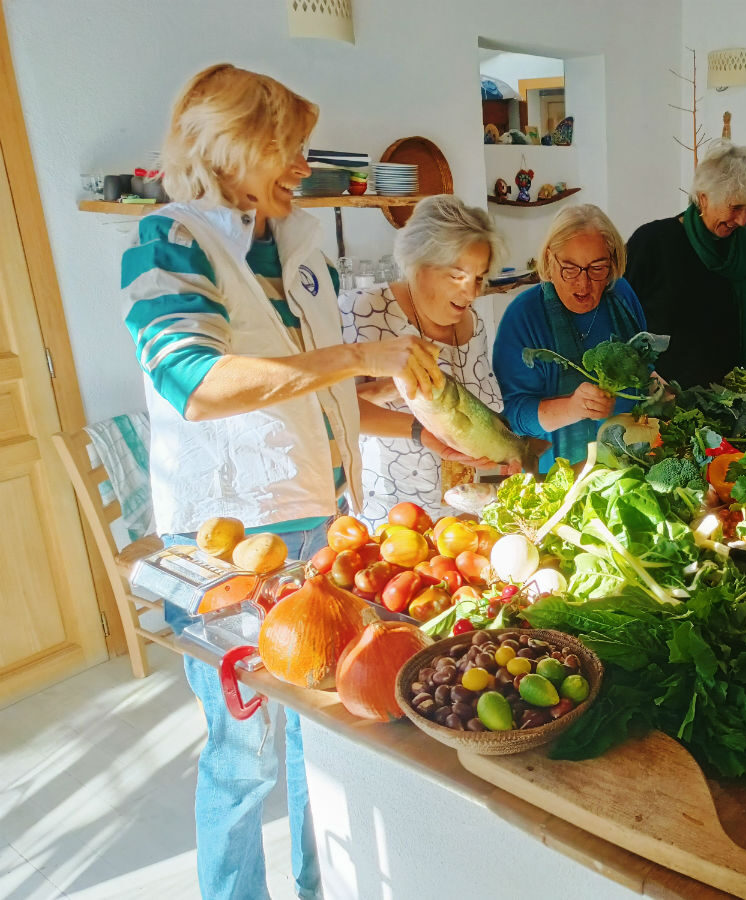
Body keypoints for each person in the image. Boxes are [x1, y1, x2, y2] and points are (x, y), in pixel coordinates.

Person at [121, 64, 445, 900]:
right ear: (229, 146)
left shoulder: (298, 248)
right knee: (244, 755)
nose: (305, 166)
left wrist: (417, 425)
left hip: (322, 526)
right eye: (288, 148)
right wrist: (356, 356)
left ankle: (317, 886)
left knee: (319, 743)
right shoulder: (170, 239)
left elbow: (313, 391)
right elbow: (191, 381)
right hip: (235, 544)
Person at [338, 194, 507, 525]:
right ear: (419, 263)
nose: (471, 293)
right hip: (387, 517)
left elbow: (480, 415)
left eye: (479, 278)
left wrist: (504, 458)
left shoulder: (473, 324)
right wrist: (396, 387)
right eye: (458, 275)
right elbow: (333, 410)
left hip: (460, 516)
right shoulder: (364, 311)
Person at [625, 141, 746, 387]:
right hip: (662, 397)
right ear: (703, 198)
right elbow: (621, 319)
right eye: (736, 207)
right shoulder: (653, 242)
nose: (742, 220)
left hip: (725, 400)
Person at [493, 204, 646, 471]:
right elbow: (511, 416)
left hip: (630, 464)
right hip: (558, 475)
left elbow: (643, 365)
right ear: (550, 261)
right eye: (570, 268)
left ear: (612, 262)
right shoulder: (523, 316)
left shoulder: (622, 296)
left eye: (597, 268)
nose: (583, 284)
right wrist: (572, 408)